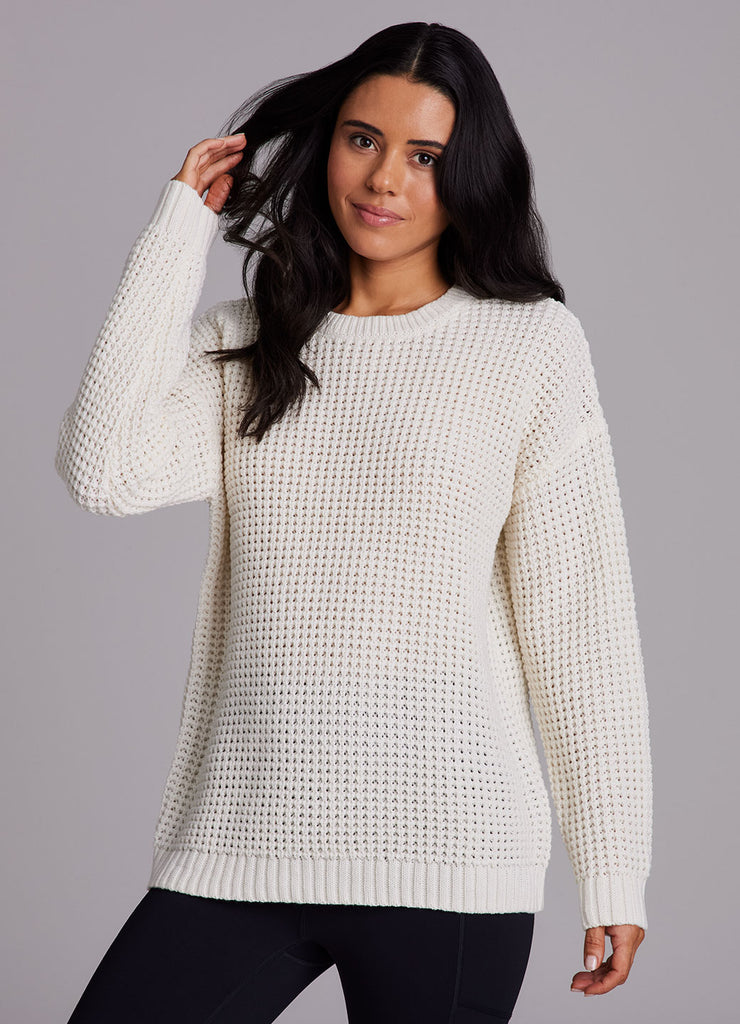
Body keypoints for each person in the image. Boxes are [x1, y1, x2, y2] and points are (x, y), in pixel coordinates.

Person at [55, 20, 652, 1024]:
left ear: (470, 175)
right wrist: (177, 232)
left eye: (425, 156)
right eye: (362, 140)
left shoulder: (530, 347)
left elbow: (580, 623)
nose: (383, 180)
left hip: (450, 851)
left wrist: (613, 868)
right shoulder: (250, 341)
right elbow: (102, 471)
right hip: (246, 835)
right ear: (327, 142)